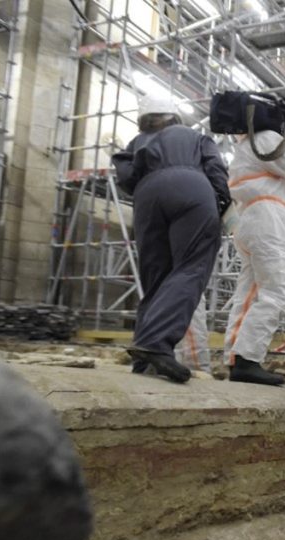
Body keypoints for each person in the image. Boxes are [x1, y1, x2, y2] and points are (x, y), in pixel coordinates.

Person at [111, 95, 229, 383]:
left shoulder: (137, 142)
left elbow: (126, 178)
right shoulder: (195, 136)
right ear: (174, 116)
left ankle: (143, 358)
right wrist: (222, 204)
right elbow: (216, 170)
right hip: (191, 188)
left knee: (155, 277)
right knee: (191, 267)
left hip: (147, 195)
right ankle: (156, 343)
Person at [223, 123, 285, 386]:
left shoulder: (249, 142)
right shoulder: (266, 137)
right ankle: (247, 359)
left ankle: (236, 356)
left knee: (249, 292)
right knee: (279, 290)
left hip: (251, 217)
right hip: (267, 218)